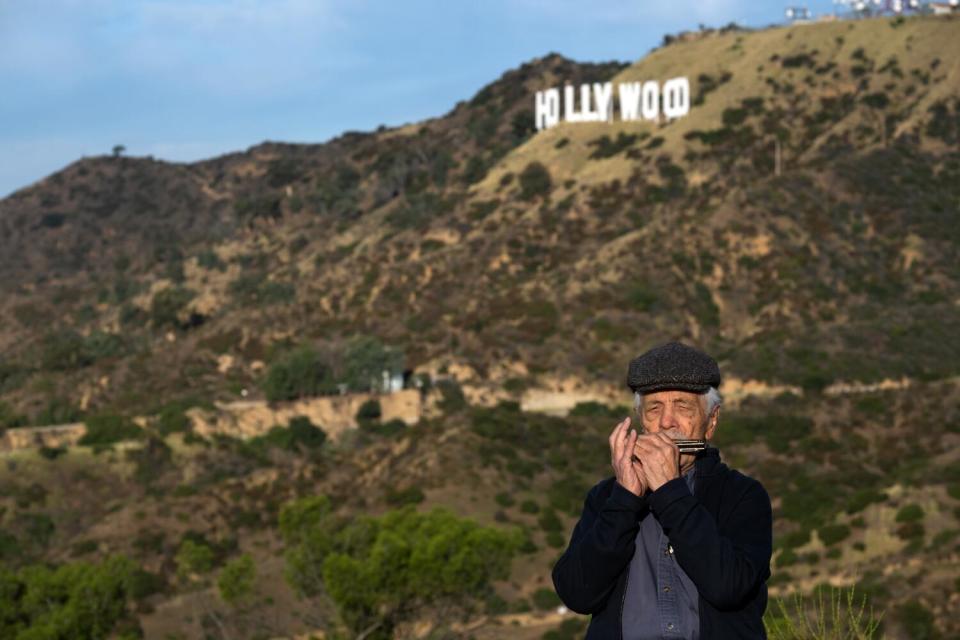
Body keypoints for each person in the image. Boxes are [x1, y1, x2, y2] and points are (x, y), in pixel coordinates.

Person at [552, 342, 772, 639]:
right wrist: (624, 500)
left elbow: (728, 587)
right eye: (655, 408)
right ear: (643, 420)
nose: (667, 422)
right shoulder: (606, 497)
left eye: (682, 406)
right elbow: (577, 594)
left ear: (711, 421)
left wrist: (670, 491)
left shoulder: (743, 495)